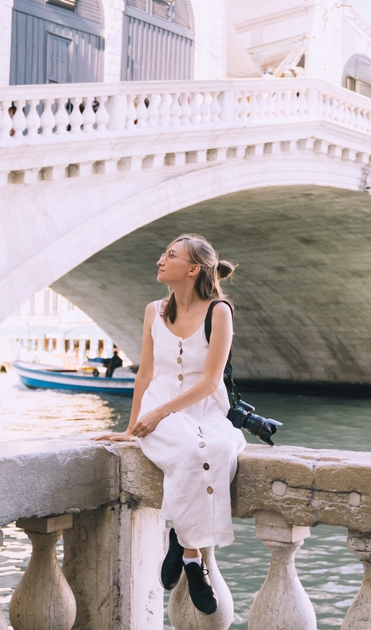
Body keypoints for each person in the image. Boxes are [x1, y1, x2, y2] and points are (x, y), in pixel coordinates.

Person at [93, 233, 244, 615]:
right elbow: (145, 373)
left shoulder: (219, 311)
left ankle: (181, 539)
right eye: (164, 254)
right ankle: (194, 561)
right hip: (159, 402)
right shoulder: (153, 310)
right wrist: (132, 426)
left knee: (222, 448)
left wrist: (160, 414)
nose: (160, 260)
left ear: (192, 269)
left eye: (171, 255)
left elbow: (211, 382)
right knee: (192, 450)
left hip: (203, 406)